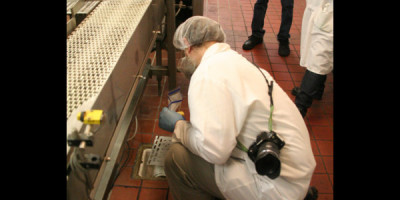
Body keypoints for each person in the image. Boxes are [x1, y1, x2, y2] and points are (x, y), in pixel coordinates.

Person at [158, 16, 317, 200]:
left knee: (176, 158)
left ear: (188, 46)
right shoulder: (238, 62)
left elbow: (215, 151)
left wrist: (180, 126)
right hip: (295, 173)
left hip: (274, 186)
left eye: (183, 52)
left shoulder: (206, 73)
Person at [291, 0, 333, 117]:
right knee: (319, 53)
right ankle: (317, 91)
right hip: (320, 10)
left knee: (319, 59)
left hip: (328, 14)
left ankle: (300, 107)